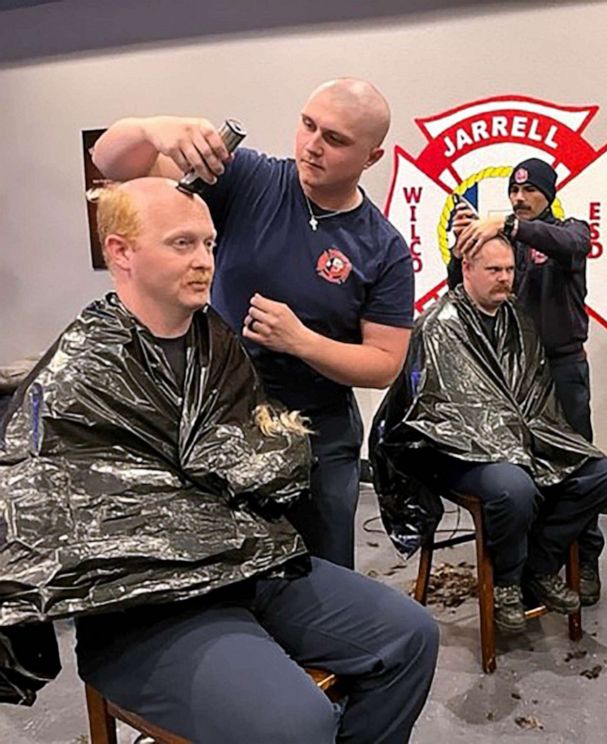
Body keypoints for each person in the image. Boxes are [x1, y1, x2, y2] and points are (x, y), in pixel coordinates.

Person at [0, 179, 438, 742]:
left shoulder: (217, 344)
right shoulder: (76, 378)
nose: (205, 260)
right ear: (119, 252)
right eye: (182, 243)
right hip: (143, 610)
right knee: (296, 724)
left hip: (248, 566)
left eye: (209, 243)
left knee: (410, 636)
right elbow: (47, 526)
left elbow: (258, 454)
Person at [91, 78, 414, 569]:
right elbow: (113, 162)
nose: (312, 146)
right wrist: (154, 129)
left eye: (336, 139)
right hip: (221, 415)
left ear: (372, 157)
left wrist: (301, 341)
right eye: (308, 125)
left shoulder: (383, 248)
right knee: (231, 567)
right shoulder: (250, 179)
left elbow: (384, 364)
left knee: (320, 571)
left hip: (316, 432)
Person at [372, 235, 607, 634]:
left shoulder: (518, 322)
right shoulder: (440, 326)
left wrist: (526, 442)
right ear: (467, 269)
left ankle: (537, 568)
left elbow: (536, 397)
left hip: (516, 442)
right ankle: (506, 582)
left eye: (509, 269)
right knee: (514, 487)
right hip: (454, 452)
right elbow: (442, 413)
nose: (505, 278)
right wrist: (505, 445)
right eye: (494, 270)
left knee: (602, 475)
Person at [447, 158, 607, 606]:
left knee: (578, 466)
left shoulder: (568, 232)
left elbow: (570, 242)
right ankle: (528, 565)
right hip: (511, 374)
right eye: (515, 192)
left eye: (530, 191)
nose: (520, 199)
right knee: (520, 469)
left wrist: (510, 228)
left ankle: (586, 558)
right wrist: (461, 248)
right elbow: (461, 290)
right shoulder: (505, 241)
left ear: (548, 194)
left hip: (562, 369)